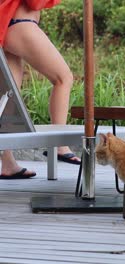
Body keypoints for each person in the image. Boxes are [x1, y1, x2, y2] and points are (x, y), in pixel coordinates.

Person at [0, 0, 80, 179]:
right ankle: (60, 145)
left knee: (11, 94)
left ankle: (8, 163)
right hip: (21, 25)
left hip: (9, 24)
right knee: (63, 78)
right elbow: (35, 2)